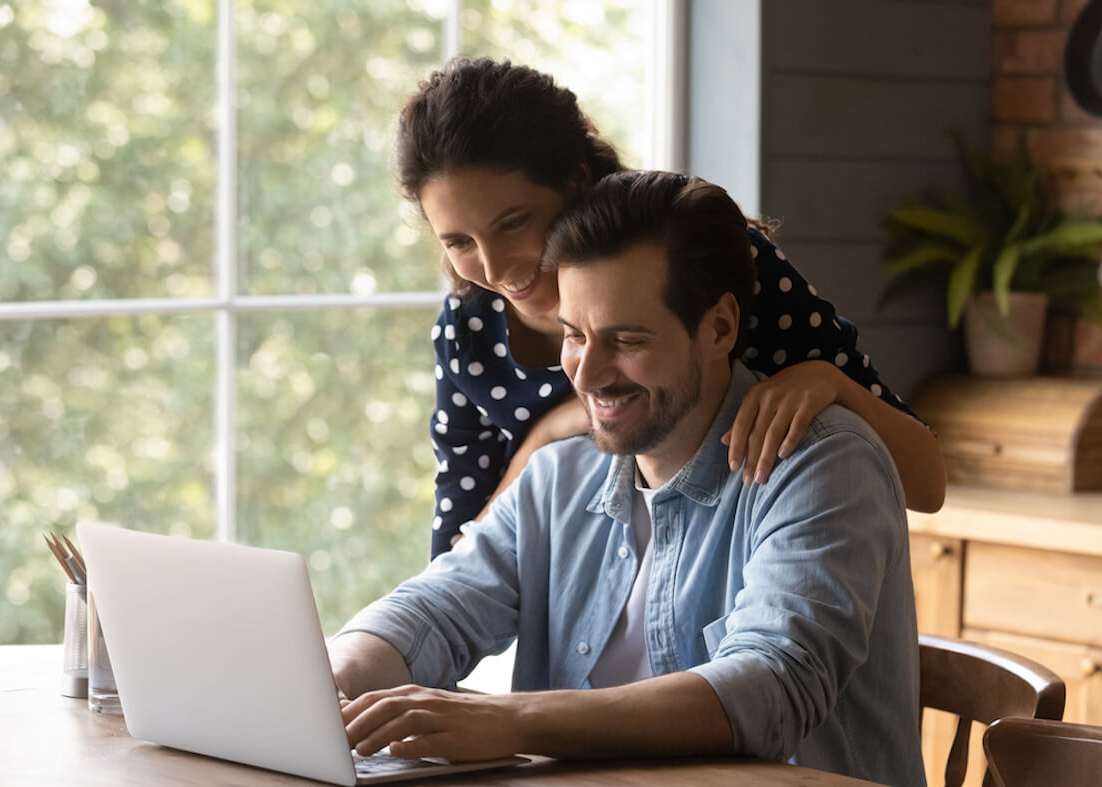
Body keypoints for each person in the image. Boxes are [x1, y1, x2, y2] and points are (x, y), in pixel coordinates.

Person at [330, 171, 925, 787]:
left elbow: (770, 686)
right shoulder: (557, 479)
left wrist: (510, 720)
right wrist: (334, 679)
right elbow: (434, 612)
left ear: (719, 328)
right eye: (574, 335)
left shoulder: (823, 464)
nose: (587, 375)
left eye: (627, 339)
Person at [398, 58, 945, 559]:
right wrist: (551, 432)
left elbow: (926, 484)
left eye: (513, 223)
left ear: (576, 179)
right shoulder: (467, 332)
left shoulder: (706, 266)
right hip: (574, 629)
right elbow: (458, 557)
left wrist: (829, 380)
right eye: (458, 243)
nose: (494, 270)